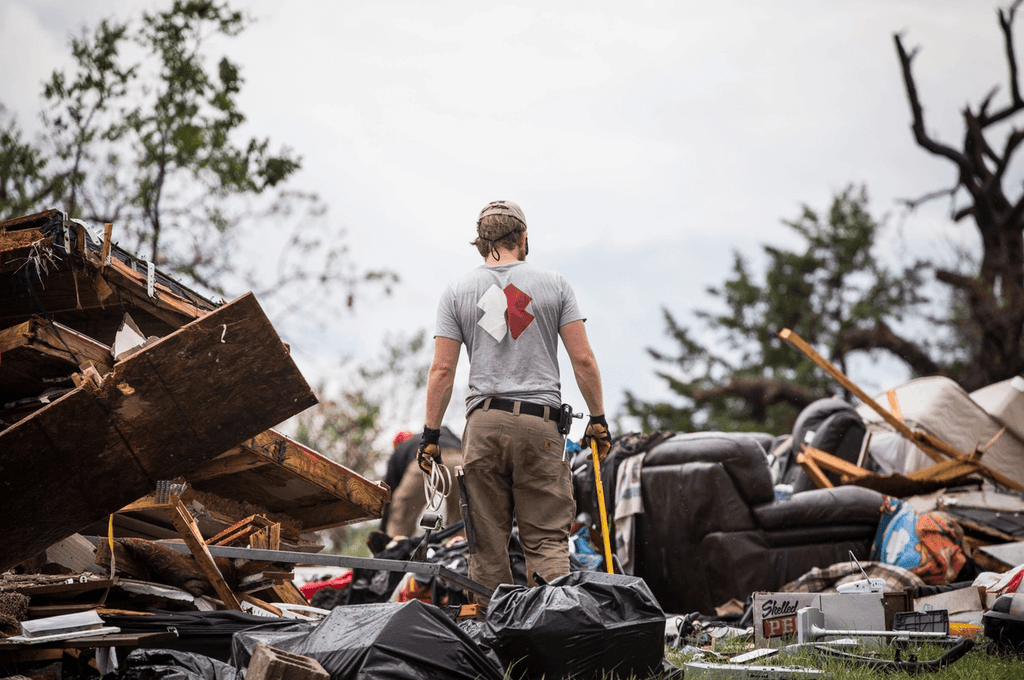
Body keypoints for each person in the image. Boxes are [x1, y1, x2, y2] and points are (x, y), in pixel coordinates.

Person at [417, 199, 611, 604]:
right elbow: (583, 360)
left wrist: (430, 437)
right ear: (523, 238)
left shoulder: (456, 292)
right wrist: (598, 419)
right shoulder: (555, 285)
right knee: (547, 543)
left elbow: (442, 371)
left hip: (483, 425)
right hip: (541, 426)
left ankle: (492, 634)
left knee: (486, 548)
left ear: (480, 242)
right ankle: (552, 627)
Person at [380, 427, 463, 538]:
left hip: (424, 462)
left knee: (401, 517)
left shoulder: (400, 449)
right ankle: (461, 543)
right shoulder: (443, 430)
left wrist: (382, 533)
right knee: (462, 515)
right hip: (458, 461)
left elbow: (389, 496)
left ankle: (394, 544)